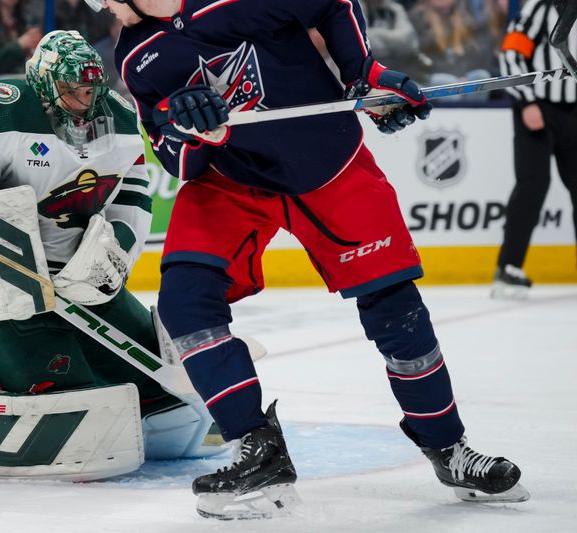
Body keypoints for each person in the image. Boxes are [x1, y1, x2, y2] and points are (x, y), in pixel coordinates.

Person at [84, 0, 530, 520]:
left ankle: (449, 447)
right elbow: (176, 159)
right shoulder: (136, 53)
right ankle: (257, 448)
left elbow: (333, 4)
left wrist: (363, 70)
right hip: (232, 181)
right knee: (185, 304)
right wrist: (188, 128)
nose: (106, 9)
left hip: (327, 163)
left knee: (396, 313)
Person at [0, 30, 225, 479]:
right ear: (46, 84)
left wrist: (114, 255)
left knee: (163, 388)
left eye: (91, 88)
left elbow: (133, 195)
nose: (84, 100)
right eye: (72, 90)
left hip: (85, 287)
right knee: (69, 390)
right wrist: (9, 253)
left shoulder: (122, 116)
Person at [493, 0, 577, 297]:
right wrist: (526, 100)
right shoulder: (538, 7)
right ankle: (508, 268)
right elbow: (511, 54)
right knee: (533, 185)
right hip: (537, 107)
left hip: (574, 111)